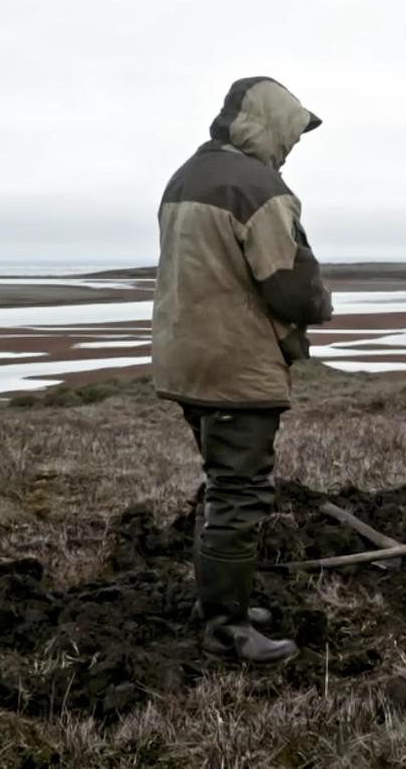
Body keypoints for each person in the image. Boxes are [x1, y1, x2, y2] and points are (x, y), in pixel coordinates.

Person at [152, 76, 331, 663]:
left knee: (221, 483)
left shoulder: (186, 176)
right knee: (238, 493)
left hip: (190, 359)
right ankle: (227, 628)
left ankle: (222, 601)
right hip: (236, 363)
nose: (293, 146)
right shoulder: (258, 187)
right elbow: (288, 284)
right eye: (294, 134)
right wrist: (318, 306)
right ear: (271, 124)